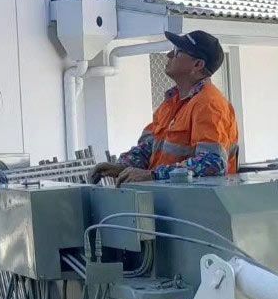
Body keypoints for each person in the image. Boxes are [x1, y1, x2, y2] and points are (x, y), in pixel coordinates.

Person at [90, 30, 238, 187]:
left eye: (177, 52)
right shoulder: (172, 102)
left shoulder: (209, 104)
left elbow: (213, 164)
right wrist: (123, 166)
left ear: (198, 65)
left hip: (197, 204)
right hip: (169, 197)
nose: (168, 55)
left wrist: (153, 175)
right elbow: (150, 146)